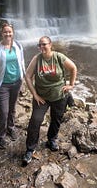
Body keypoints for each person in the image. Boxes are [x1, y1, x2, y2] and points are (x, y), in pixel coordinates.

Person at [22, 36, 77, 165]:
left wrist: (71, 85)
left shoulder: (58, 57)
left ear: (50, 45)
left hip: (59, 96)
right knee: (35, 121)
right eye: (39, 45)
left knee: (56, 119)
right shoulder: (37, 59)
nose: (42, 47)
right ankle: (30, 149)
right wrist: (34, 94)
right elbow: (28, 76)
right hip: (41, 97)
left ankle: (51, 140)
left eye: (44, 44)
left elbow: (73, 68)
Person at [0, 23, 25, 149]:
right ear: (1, 33)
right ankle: (0, 136)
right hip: (2, 85)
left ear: (13, 33)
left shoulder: (18, 46)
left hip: (16, 83)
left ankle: (11, 127)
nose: (8, 34)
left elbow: (22, 62)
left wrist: (23, 78)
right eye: (5, 32)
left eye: (10, 32)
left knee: (12, 108)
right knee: (3, 111)